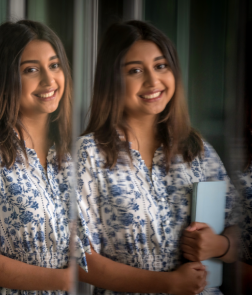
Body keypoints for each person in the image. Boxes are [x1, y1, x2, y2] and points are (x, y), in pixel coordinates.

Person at [74, 20, 239, 294]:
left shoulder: (197, 148)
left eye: (161, 66)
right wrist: (169, 284)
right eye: (135, 71)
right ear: (111, 80)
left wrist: (222, 246)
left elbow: (240, 226)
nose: (153, 81)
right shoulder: (89, 154)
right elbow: (79, 259)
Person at [0, 20, 90, 294]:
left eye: (54, 66)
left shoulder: (76, 155)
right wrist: (63, 281)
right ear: (6, 78)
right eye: (31, 70)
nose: (49, 80)